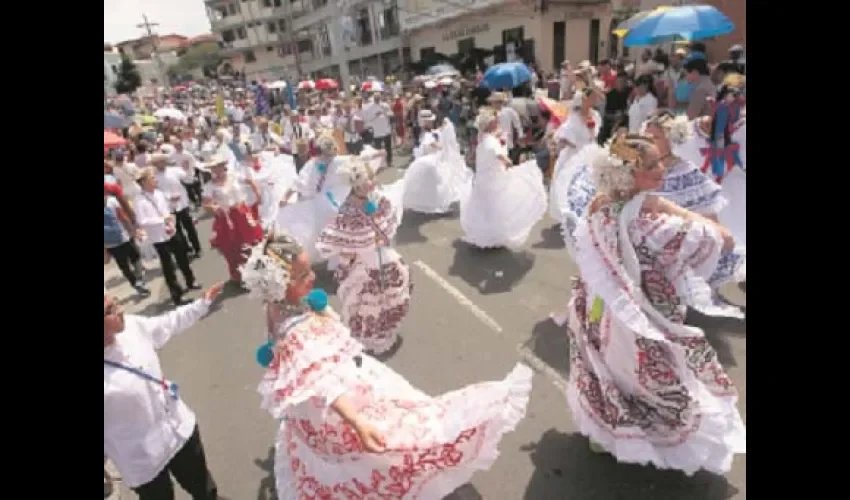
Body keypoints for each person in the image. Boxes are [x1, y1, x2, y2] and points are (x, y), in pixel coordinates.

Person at [244, 229, 533, 499]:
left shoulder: (276, 306)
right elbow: (323, 383)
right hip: (335, 400)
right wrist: (357, 422)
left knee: (359, 450)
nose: (312, 277)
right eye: (302, 275)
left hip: (322, 396)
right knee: (387, 440)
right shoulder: (298, 332)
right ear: (279, 285)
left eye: (308, 270)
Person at [563, 131, 746, 475]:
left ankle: (609, 433)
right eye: (651, 165)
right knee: (649, 381)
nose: (661, 169)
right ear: (629, 175)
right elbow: (723, 240)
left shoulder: (600, 204)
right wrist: (669, 206)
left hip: (599, 306)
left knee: (608, 369)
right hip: (640, 317)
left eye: (660, 161)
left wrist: (654, 201)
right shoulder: (650, 222)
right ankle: (647, 441)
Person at [104, 282, 225, 500]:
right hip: (144, 462)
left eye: (116, 302)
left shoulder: (132, 327)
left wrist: (201, 304)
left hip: (178, 431)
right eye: (109, 310)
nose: (120, 310)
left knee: (205, 490)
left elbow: (167, 323)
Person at [315, 156, 411, 355]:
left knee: (390, 300)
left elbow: (387, 225)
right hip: (364, 266)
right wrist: (345, 266)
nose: (375, 181)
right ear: (358, 185)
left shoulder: (377, 198)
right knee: (369, 305)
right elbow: (346, 246)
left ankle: (384, 333)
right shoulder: (347, 213)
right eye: (370, 178)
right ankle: (371, 338)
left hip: (385, 257)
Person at [460, 108, 547, 249]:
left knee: (487, 209)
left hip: (484, 179)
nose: (497, 122)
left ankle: (487, 235)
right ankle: (492, 236)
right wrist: (511, 163)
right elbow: (501, 156)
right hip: (493, 180)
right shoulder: (490, 141)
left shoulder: (483, 140)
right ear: (490, 124)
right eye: (495, 121)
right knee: (497, 207)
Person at [134, 168, 201, 306]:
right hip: (158, 237)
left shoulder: (159, 193)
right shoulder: (139, 200)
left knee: (182, 257)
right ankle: (177, 295)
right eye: (152, 178)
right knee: (168, 266)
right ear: (144, 182)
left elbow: (166, 208)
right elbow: (142, 221)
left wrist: (172, 208)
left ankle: (191, 280)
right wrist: (161, 220)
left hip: (171, 231)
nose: (155, 180)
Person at [202, 154, 264, 285]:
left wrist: (257, 193)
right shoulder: (209, 186)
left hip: (242, 213)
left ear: (223, 166)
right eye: (213, 168)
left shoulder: (234, 176)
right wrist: (214, 208)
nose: (216, 170)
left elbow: (250, 180)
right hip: (227, 217)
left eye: (218, 166)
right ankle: (240, 275)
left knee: (251, 240)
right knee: (232, 247)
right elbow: (206, 204)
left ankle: (257, 270)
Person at [150, 154, 203, 259]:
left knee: (189, 227)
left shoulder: (174, 171)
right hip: (168, 208)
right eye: (158, 162)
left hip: (182, 204)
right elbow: (156, 192)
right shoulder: (154, 177)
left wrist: (187, 169)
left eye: (162, 161)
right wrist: (169, 197)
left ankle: (197, 248)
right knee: (177, 231)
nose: (161, 164)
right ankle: (187, 250)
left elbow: (188, 179)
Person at [105, 190, 149, 297]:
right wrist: (132, 231)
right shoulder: (111, 201)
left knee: (124, 266)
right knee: (136, 257)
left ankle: (135, 284)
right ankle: (139, 280)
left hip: (109, 242)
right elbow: (123, 217)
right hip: (123, 236)